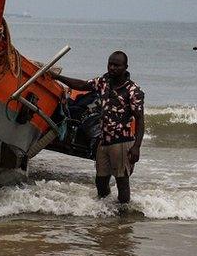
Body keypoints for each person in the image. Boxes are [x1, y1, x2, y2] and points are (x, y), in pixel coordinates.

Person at [53, 51, 145, 203]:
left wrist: (136, 147)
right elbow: (82, 85)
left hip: (121, 142)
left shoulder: (132, 90)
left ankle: (123, 218)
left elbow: (140, 120)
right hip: (103, 141)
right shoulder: (104, 82)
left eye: (117, 65)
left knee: (122, 182)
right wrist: (57, 77)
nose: (112, 68)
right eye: (110, 64)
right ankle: (104, 211)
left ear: (125, 67)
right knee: (100, 181)